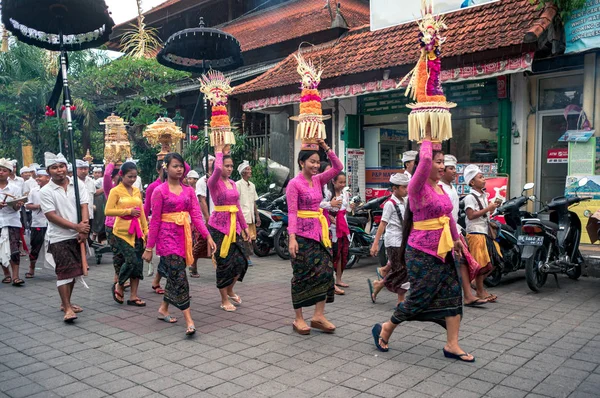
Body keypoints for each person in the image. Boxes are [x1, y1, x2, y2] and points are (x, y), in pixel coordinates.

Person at [371, 135, 473, 363]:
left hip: (444, 250)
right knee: (418, 296)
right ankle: (386, 327)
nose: (441, 166)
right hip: (421, 252)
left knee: (453, 295)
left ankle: (452, 344)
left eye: (442, 162)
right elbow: (425, 158)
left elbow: (447, 216)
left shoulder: (441, 188)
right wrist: (428, 137)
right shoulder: (417, 187)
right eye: (438, 162)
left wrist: (456, 239)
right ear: (424, 166)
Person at [143, 153, 216, 335]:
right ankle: (189, 319)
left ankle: (163, 309)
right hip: (166, 239)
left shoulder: (189, 191)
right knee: (179, 276)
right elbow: (155, 221)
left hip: (185, 236)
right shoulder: (159, 191)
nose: (179, 169)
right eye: (175, 166)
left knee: (175, 275)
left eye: (181, 166)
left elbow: (197, 216)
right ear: (166, 167)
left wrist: (207, 236)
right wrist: (149, 247)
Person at [287, 139, 343, 335]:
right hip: (301, 236)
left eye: (318, 162)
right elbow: (292, 212)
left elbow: (338, 167)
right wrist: (292, 238)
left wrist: (326, 147)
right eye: (312, 161)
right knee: (301, 275)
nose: (316, 166)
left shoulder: (319, 180)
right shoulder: (294, 184)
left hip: (320, 234)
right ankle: (299, 318)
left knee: (326, 272)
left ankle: (318, 316)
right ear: (301, 162)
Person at [40, 153, 90, 323]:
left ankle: (65, 302)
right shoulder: (45, 191)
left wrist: (84, 228)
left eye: (61, 166)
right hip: (58, 236)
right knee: (64, 272)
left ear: (66, 167)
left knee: (74, 270)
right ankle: (67, 308)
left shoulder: (78, 185)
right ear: (49, 171)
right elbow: (51, 216)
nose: (59, 170)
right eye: (54, 167)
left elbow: (84, 206)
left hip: (77, 234)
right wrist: (76, 226)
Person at [440, 157, 487, 307]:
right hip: (442, 232)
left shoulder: (451, 187)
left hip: (453, 230)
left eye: (455, 168)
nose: (454, 172)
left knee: (462, 262)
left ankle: (467, 294)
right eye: (451, 168)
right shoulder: (439, 188)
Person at [208, 146, 250, 312]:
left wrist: (245, 227)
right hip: (218, 227)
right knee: (223, 264)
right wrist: (219, 151)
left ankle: (230, 289)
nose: (230, 169)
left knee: (241, 261)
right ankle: (224, 298)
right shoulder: (213, 182)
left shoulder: (232, 183)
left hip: (234, 227)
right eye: (227, 166)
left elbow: (237, 206)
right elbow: (217, 168)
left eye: (232, 166)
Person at [106, 162, 148, 307]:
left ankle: (134, 296)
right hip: (122, 231)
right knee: (131, 261)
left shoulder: (137, 191)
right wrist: (127, 212)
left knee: (138, 263)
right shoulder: (115, 191)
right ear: (122, 175)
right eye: (130, 176)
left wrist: (146, 230)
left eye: (135, 177)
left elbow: (141, 211)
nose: (132, 179)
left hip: (137, 231)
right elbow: (108, 211)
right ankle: (120, 283)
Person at [368, 173, 410, 304]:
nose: (406, 190)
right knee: (401, 270)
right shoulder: (390, 204)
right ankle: (400, 300)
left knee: (403, 270)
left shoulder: (405, 201)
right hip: (393, 242)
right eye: (404, 187)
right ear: (394, 189)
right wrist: (375, 244)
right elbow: (383, 224)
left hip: (404, 241)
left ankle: (380, 284)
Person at [463, 164, 500, 303]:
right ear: (472, 182)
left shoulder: (484, 195)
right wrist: (488, 209)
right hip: (475, 233)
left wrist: (492, 208)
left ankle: (477, 285)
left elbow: (484, 214)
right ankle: (480, 290)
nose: (484, 179)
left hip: (484, 232)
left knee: (494, 260)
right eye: (480, 177)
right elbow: (471, 215)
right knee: (481, 264)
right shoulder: (470, 197)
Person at [322, 172, 352, 289]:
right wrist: (330, 208)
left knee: (342, 253)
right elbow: (320, 205)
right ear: (333, 182)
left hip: (343, 225)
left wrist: (352, 207)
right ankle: (331, 281)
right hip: (332, 228)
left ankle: (339, 279)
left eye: (344, 182)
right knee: (333, 253)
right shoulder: (328, 193)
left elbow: (347, 208)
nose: (342, 184)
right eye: (340, 182)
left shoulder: (345, 193)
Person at [0, 158, 25, 286]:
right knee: (0, 249)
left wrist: (17, 205)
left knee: (14, 248)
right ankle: (6, 275)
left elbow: (16, 207)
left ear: (9, 173)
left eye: (4, 170)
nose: (1, 172)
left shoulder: (15, 188)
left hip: (12, 221)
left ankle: (16, 276)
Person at [104, 162, 128, 287]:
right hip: (112, 226)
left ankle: (121, 275)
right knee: (117, 253)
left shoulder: (130, 191)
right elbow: (107, 174)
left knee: (126, 253)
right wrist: (112, 161)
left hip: (126, 226)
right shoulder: (111, 190)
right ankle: (118, 277)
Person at [25, 169, 50, 278]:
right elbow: (27, 205)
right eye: (37, 176)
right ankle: (31, 269)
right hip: (38, 222)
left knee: (55, 246)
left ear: (48, 178)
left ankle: (60, 268)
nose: (37, 178)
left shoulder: (53, 190)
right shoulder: (34, 191)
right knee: (35, 245)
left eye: (40, 176)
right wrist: (38, 206)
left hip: (52, 223)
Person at [144, 161, 165, 291]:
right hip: (160, 224)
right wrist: (144, 224)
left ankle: (157, 280)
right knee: (167, 255)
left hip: (178, 224)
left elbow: (186, 168)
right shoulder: (154, 186)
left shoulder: (176, 184)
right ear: (158, 170)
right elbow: (146, 206)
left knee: (170, 256)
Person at [236, 161, 260, 267]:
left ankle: (246, 256)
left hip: (251, 216)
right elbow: (236, 202)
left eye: (250, 169)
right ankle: (246, 257)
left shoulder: (252, 185)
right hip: (243, 217)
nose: (250, 171)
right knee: (244, 238)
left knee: (251, 238)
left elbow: (254, 202)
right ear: (243, 172)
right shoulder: (238, 185)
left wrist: (257, 216)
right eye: (248, 169)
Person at [76, 160, 96, 227]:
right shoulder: (72, 182)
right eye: (81, 169)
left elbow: (94, 193)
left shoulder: (91, 181)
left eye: (85, 169)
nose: (83, 171)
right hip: (77, 215)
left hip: (90, 214)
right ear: (76, 169)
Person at [197, 155, 215, 224]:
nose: (213, 161)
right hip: (210, 217)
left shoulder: (220, 180)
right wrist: (207, 218)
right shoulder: (201, 181)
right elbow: (202, 200)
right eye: (210, 160)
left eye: (213, 160)